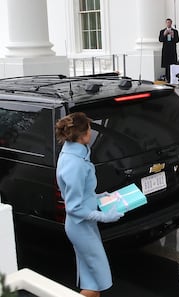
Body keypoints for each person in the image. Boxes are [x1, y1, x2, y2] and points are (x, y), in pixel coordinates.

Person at [55, 112, 123, 297]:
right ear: (83, 134)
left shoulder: (75, 153)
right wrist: (105, 217)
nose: (92, 132)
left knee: (91, 282)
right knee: (98, 280)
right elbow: (74, 207)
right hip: (80, 227)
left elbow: (82, 195)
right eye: (90, 128)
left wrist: (101, 197)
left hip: (85, 225)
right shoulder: (74, 164)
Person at [159, 18, 179, 82]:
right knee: (167, 66)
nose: (168, 24)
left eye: (169, 23)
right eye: (167, 23)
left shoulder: (175, 31)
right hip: (166, 50)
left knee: (173, 64)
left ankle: (173, 78)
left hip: (172, 50)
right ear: (166, 23)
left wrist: (173, 36)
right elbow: (160, 39)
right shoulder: (162, 31)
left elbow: (177, 40)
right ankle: (167, 78)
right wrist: (164, 34)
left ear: (171, 23)